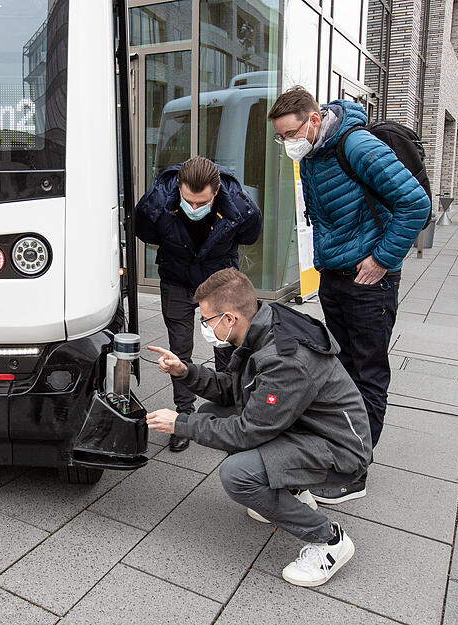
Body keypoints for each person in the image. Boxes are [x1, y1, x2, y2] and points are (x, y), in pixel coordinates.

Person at [145, 268, 372, 587]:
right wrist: (186, 372)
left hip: (339, 450)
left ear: (229, 318)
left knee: (237, 475)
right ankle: (292, 490)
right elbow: (236, 391)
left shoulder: (283, 358)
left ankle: (329, 541)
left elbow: (248, 431)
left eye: (207, 319)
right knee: (214, 411)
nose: (204, 327)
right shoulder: (262, 324)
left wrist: (180, 423)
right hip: (305, 427)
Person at [266, 87, 428, 504]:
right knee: (343, 370)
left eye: (290, 133)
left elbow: (414, 203)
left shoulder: (356, 145)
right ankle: (341, 449)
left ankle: (355, 470)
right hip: (336, 277)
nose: (287, 143)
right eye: (280, 137)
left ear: (314, 120)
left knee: (368, 372)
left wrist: (381, 260)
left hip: (368, 280)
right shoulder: (315, 154)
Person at [134, 156, 262, 452]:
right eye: (188, 201)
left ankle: (230, 411)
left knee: (227, 345)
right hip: (177, 277)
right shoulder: (156, 202)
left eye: (200, 202)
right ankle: (184, 418)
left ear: (215, 192)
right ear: (178, 186)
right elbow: (145, 232)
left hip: (219, 280)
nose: (193, 208)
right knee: (179, 350)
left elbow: (251, 235)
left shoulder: (240, 206)